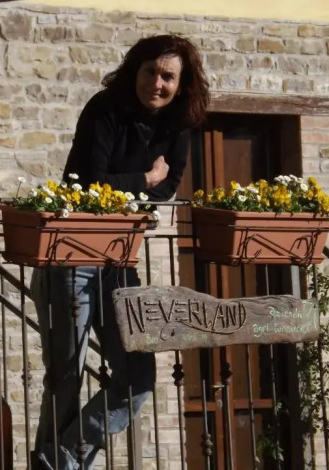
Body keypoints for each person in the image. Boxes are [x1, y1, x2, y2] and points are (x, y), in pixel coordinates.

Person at [31, 34, 210, 470]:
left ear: (181, 85)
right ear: (135, 71)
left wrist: (142, 185)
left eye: (168, 77)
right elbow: (91, 182)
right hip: (71, 252)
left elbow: (170, 188)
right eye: (150, 72)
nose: (157, 83)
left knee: (138, 376)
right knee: (66, 375)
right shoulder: (105, 109)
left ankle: (58, 459)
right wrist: (145, 180)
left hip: (119, 258)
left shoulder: (178, 124)